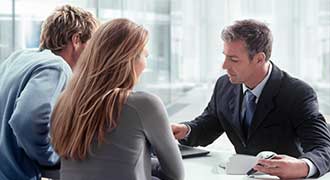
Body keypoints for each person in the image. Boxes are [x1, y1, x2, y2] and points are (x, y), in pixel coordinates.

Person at [171, 19, 330, 179]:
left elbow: (324, 148)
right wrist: (185, 130)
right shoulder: (224, 84)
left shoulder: (297, 93)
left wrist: (303, 167)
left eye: (233, 60)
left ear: (259, 59)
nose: (224, 66)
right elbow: (210, 124)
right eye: (225, 57)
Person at [51, 18, 184, 180]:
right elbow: (175, 175)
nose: (145, 64)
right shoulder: (144, 105)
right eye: (145, 55)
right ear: (128, 59)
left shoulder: (64, 103)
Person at [0, 5, 98, 180]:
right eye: (91, 46)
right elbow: (26, 121)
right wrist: (51, 157)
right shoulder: (57, 67)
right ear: (76, 40)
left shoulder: (18, 58)